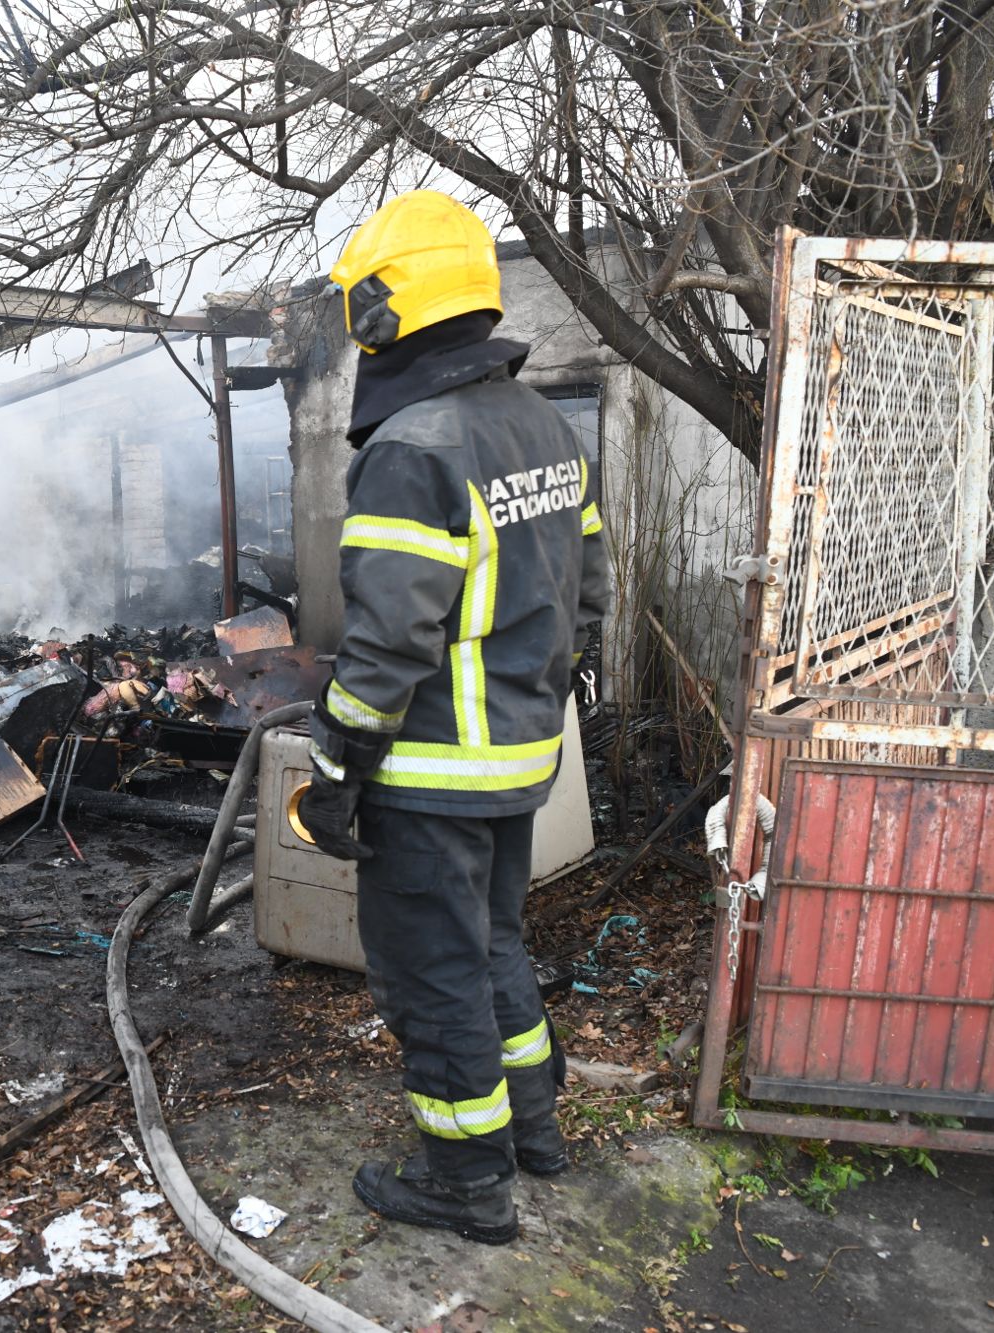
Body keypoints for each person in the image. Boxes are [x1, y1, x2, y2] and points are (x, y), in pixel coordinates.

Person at [297, 191, 611, 1244]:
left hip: (430, 773)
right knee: (491, 948)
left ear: (382, 311)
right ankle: (534, 1133)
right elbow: (589, 588)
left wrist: (339, 763)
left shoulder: (413, 446)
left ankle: (465, 1181)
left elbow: (387, 638)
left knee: (431, 974)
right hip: (520, 759)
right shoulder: (542, 425)